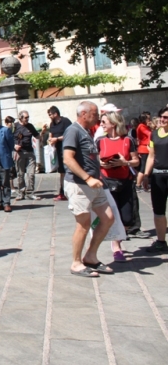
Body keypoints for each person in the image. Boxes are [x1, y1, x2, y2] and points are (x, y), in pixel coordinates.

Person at [63, 101, 115, 277]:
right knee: (83, 225)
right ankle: (76, 263)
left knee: (108, 218)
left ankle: (91, 256)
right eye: (94, 113)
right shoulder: (73, 130)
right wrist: (87, 178)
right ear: (83, 114)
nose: (98, 117)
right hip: (80, 185)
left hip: (94, 183)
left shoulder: (86, 132)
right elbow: (68, 159)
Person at [97, 112, 139, 262]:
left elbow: (136, 161)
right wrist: (100, 163)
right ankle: (116, 246)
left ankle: (119, 239)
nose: (101, 124)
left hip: (125, 182)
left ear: (113, 124)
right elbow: (94, 159)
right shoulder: (100, 141)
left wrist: (125, 163)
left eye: (103, 122)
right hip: (107, 182)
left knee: (127, 218)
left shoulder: (128, 140)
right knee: (112, 215)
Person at [144, 107, 168, 252]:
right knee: (158, 211)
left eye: (166, 117)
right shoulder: (154, 134)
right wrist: (146, 175)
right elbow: (151, 156)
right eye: (162, 116)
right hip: (158, 176)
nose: (162, 119)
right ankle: (161, 241)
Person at [47, 106, 73, 201]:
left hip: (66, 149)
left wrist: (57, 139)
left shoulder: (65, 122)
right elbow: (51, 134)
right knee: (61, 172)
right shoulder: (52, 124)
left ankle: (67, 191)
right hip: (57, 150)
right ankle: (62, 192)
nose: (49, 116)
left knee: (67, 170)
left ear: (55, 114)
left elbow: (69, 134)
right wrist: (50, 139)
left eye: (50, 114)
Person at [14, 111, 41, 200]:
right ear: (20, 118)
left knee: (31, 174)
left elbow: (37, 136)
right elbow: (9, 138)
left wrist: (42, 134)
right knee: (20, 174)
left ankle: (30, 192)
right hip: (19, 153)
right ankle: (21, 192)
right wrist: (14, 146)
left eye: (28, 117)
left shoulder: (30, 126)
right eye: (25, 117)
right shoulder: (15, 126)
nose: (27, 119)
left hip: (30, 153)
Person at [137, 112, 153, 192]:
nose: (149, 120)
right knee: (143, 168)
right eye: (148, 118)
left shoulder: (145, 126)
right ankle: (138, 184)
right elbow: (150, 134)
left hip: (146, 148)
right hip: (144, 149)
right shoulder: (141, 126)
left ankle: (144, 183)